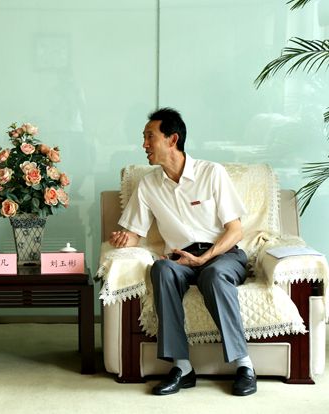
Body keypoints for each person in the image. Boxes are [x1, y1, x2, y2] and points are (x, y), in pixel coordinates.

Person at [109, 108, 256, 396]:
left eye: (150, 137)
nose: (144, 145)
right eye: (144, 138)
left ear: (172, 139)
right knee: (161, 269)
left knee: (214, 275)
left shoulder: (211, 173)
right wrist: (122, 239)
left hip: (223, 255)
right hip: (180, 259)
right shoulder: (148, 184)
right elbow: (135, 233)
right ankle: (183, 367)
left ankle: (244, 366)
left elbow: (235, 230)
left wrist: (204, 258)